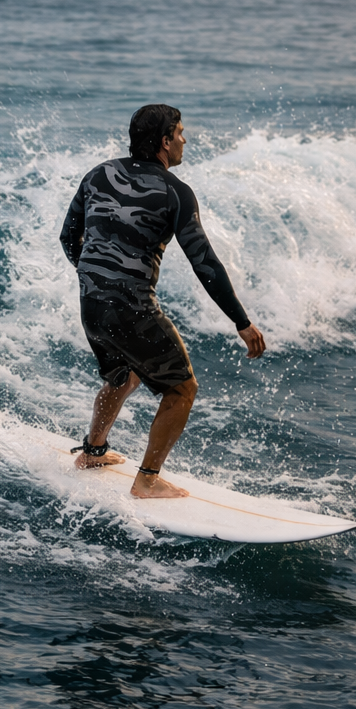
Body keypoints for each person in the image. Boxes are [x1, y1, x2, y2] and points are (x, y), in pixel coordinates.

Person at [59, 104, 266, 499]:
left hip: (91, 303)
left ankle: (93, 452)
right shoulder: (175, 193)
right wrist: (242, 322)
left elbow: (69, 237)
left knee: (124, 374)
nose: (185, 140)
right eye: (181, 133)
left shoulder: (98, 174)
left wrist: (93, 278)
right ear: (164, 141)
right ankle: (147, 481)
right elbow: (205, 263)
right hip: (131, 307)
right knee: (182, 389)